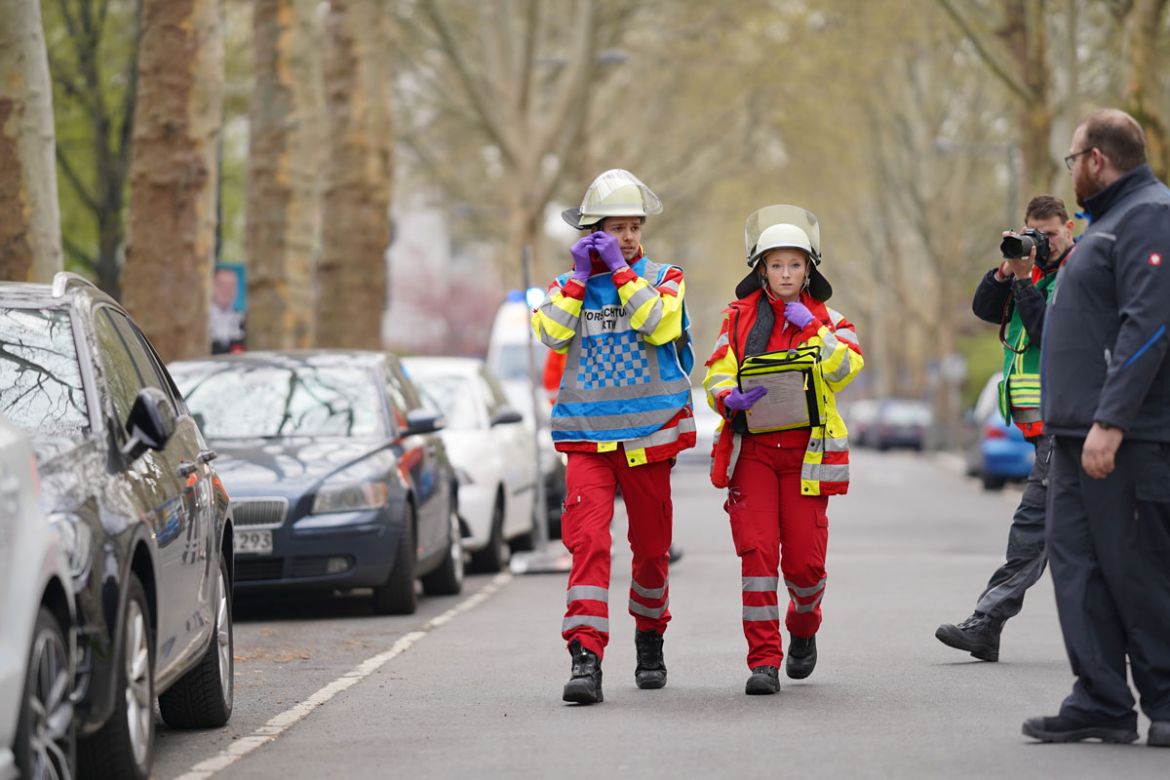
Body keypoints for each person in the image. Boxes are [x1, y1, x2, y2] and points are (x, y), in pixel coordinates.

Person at [1022, 108, 1170, 746]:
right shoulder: (1105, 223)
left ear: (1096, 160)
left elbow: (1152, 322)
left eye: (1073, 158)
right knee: (1078, 569)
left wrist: (1112, 419)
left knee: (1139, 571)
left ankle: (1165, 702)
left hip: (1128, 437)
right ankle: (1102, 698)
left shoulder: (1149, 216)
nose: (1073, 170)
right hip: (1075, 436)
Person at [532, 168, 695, 705]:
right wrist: (580, 280)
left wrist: (624, 272)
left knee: (650, 553)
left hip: (649, 438)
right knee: (589, 546)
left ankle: (649, 638)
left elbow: (660, 326)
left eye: (633, 226)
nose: (625, 236)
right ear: (591, 230)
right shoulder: (566, 287)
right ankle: (586, 657)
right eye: (614, 226)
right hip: (586, 440)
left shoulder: (664, 277)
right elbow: (553, 335)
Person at [703, 205, 863, 695]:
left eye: (795, 264)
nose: (786, 273)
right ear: (761, 269)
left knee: (805, 566)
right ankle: (763, 661)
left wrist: (812, 328)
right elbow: (716, 370)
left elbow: (844, 370)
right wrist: (727, 395)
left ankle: (804, 625)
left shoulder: (832, 320)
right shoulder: (738, 318)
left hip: (805, 456)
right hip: (753, 452)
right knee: (757, 558)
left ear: (809, 268)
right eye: (776, 265)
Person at [935, 196, 1075, 661]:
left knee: (1033, 526)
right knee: (1094, 536)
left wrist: (1024, 281)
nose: (1043, 243)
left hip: (1069, 423)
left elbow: (1047, 335)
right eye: (1035, 233)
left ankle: (986, 623)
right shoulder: (1027, 273)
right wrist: (1006, 269)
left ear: (1069, 227)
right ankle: (1141, 633)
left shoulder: (1078, 273)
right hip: (1047, 429)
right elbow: (982, 308)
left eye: (1051, 233)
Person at [210, 265, 246, 354]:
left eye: (231, 285)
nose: (226, 290)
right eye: (221, 284)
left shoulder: (244, 320)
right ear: (212, 286)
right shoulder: (201, 321)